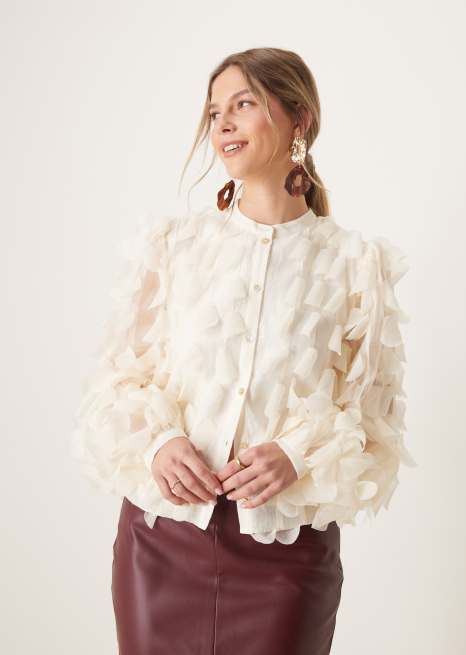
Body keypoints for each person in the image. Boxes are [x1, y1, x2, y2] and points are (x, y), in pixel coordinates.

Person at [72, 47, 417, 655]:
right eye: (214, 112)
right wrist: (159, 442)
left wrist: (297, 456)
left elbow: (372, 423)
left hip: (286, 554)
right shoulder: (173, 247)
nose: (223, 123)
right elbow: (115, 382)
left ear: (298, 118)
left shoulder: (355, 265)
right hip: (162, 541)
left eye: (243, 104)